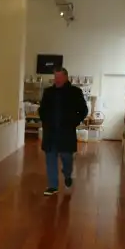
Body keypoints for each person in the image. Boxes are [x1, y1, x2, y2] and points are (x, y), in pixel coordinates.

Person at [38, 67, 88, 196]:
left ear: (66, 77)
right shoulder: (48, 92)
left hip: (66, 132)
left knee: (67, 157)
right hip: (50, 132)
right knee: (50, 158)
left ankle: (67, 174)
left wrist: (74, 122)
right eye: (56, 77)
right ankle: (52, 186)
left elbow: (83, 110)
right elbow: (42, 109)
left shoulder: (75, 92)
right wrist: (45, 121)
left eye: (60, 77)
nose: (57, 80)